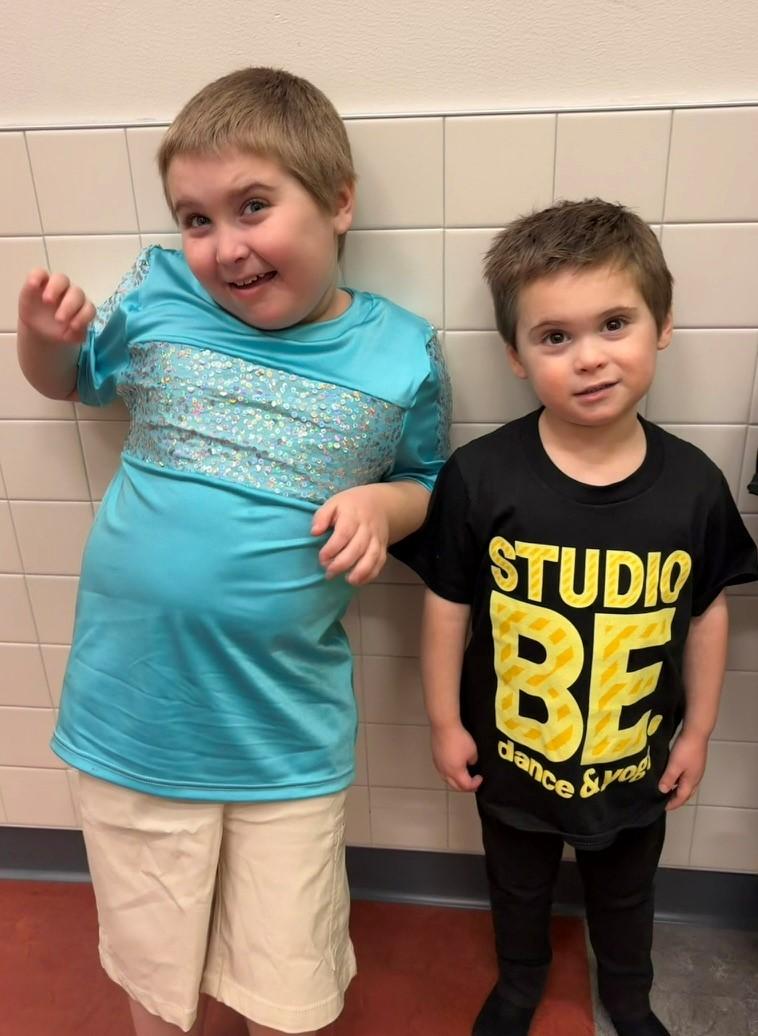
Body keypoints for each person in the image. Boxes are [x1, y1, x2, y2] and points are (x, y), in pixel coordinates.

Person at [16, 67, 450, 1036]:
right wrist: (40, 340)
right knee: (151, 963)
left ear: (338, 202)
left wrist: (383, 506)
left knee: (283, 975)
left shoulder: (400, 351)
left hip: (281, 735)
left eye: (253, 205)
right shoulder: (160, 295)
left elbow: (431, 483)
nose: (223, 246)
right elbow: (69, 382)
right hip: (133, 719)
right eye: (196, 218)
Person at [403, 199, 758, 1036]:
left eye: (613, 323)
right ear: (516, 357)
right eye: (554, 336)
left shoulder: (695, 487)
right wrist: (443, 720)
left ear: (662, 325)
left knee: (628, 890)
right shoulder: (481, 477)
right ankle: (520, 983)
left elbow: (706, 613)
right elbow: (447, 601)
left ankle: (628, 996)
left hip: (634, 761)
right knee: (516, 885)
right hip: (513, 759)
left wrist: (699, 729)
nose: (590, 358)